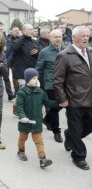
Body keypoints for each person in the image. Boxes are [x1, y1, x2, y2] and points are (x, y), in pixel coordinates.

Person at [53, 26, 92, 170]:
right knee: (76, 129)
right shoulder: (65, 55)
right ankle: (79, 156)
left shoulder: (90, 51)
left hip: (90, 98)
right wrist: (62, 99)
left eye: (87, 36)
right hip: (74, 99)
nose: (86, 38)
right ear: (74, 37)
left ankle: (69, 136)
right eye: (83, 36)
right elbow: (57, 80)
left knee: (88, 126)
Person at [16, 68, 58, 168]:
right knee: (22, 138)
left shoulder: (40, 92)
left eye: (37, 78)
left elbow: (47, 102)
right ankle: (21, 151)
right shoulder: (21, 92)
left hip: (36, 122)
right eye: (33, 78)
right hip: (25, 122)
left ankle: (42, 159)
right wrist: (22, 116)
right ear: (27, 79)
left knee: (39, 141)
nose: (36, 80)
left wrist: (59, 103)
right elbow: (19, 107)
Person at [36, 29, 65, 142]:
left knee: (62, 105)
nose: (58, 39)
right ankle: (56, 131)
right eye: (55, 37)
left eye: (60, 36)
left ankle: (47, 119)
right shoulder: (45, 52)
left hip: (65, 85)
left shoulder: (66, 50)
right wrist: (34, 82)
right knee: (53, 108)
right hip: (50, 85)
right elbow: (38, 68)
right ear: (50, 38)